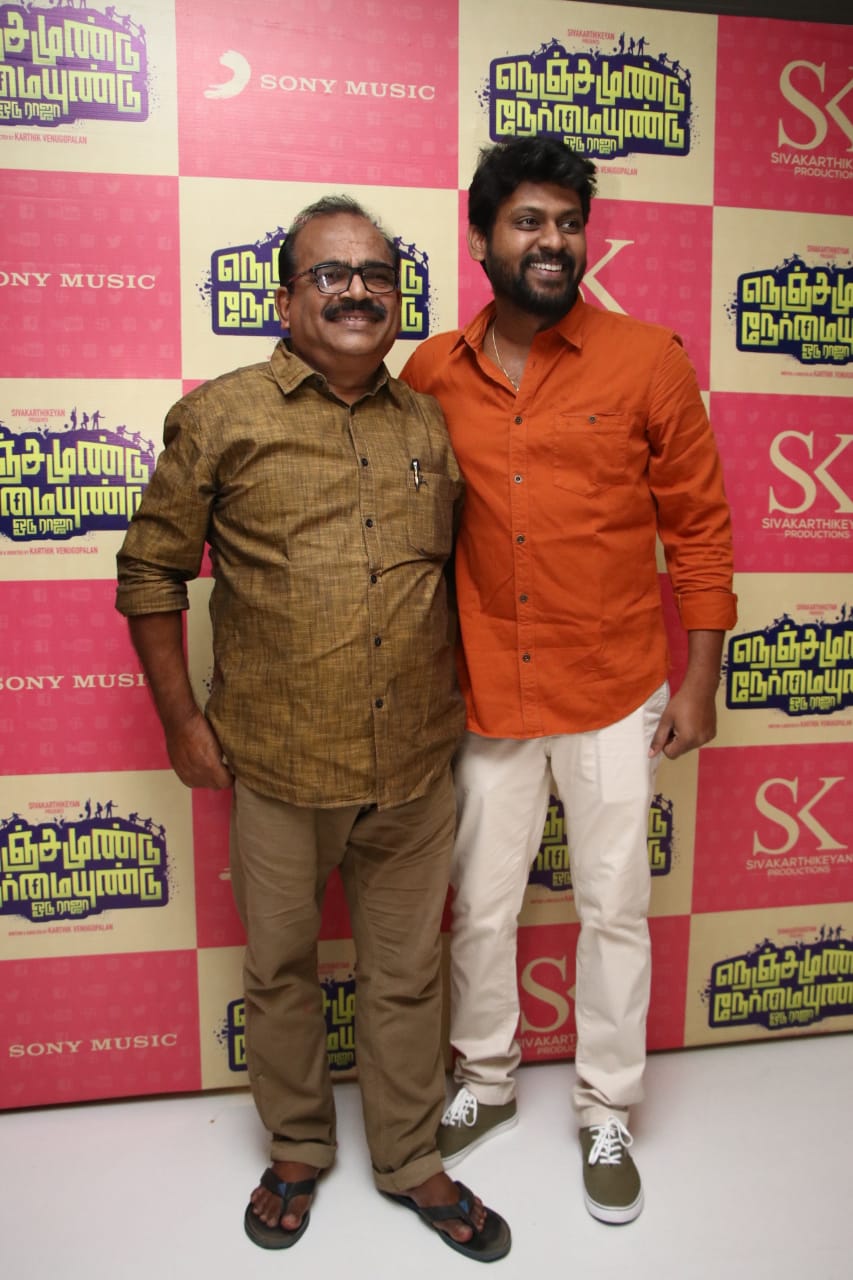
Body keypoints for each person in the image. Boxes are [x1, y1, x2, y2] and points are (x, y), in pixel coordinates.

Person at [115, 195, 511, 1262]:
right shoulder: (221, 415)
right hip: (279, 768)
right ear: (286, 297)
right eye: (330, 274)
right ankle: (296, 1146)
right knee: (282, 970)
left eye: (377, 275)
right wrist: (179, 721)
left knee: (407, 975)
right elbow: (148, 571)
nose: (356, 292)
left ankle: (409, 1156)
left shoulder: (429, 422)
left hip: (415, 769)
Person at [401, 139, 737, 1225]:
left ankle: (606, 1105)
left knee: (615, 908)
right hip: (484, 691)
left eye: (567, 222)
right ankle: (486, 1077)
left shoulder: (647, 360)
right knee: (480, 909)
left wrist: (698, 681)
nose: (551, 242)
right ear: (481, 238)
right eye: (527, 222)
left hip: (612, 686)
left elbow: (699, 529)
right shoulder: (430, 372)